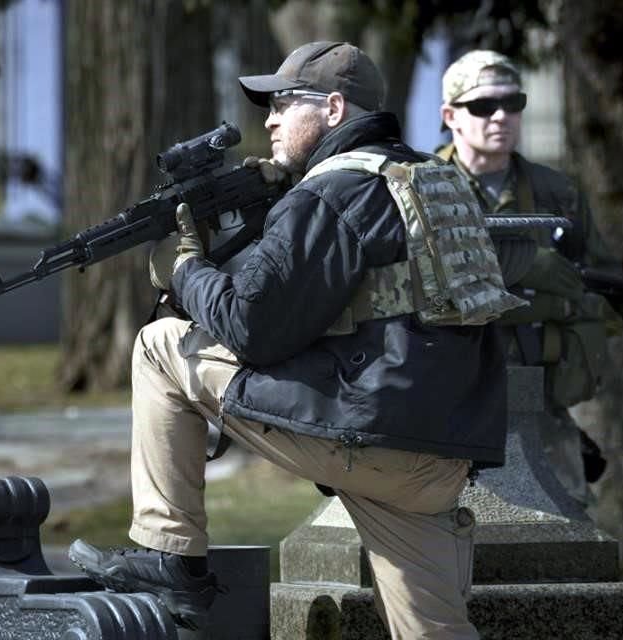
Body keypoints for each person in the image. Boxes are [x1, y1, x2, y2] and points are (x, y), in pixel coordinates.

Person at [68, 41, 510, 639]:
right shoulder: (434, 178)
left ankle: (170, 555)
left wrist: (185, 268)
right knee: (435, 631)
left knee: (159, 345)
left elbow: (252, 327)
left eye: (283, 103)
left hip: (369, 437)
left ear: (332, 108)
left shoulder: (331, 192)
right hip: (441, 453)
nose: (269, 120)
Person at [436, 50, 622, 503]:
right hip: (443, 406)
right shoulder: (426, 186)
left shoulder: (556, 192)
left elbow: (606, 289)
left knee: (565, 532)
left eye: (513, 103)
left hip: (540, 402)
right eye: (482, 106)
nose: (501, 116)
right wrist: (529, 283)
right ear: (450, 116)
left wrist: (565, 309)